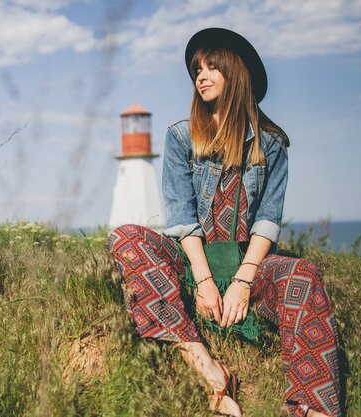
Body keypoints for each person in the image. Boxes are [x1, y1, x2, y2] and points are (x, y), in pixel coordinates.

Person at [108, 28, 343, 417]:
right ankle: (210, 372)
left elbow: (268, 220)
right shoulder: (181, 138)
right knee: (127, 237)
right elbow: (182, 217)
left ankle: (310, 409)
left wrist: (243, 282)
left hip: (248, 264)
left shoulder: (271, 144)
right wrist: (202, 281)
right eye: (197, 69)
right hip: (191, 262)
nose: (200, 75)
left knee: (302, 275)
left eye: (211, 67)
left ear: (236, 73)